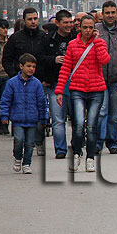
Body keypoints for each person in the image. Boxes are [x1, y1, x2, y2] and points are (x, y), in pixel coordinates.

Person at [54, 14, 110, 173]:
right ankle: (77, 153)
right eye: (84, 27)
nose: (87, 30)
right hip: (77, 89)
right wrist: (59, 91)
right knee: (78, 124)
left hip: (96, 89)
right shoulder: (72, 45)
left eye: (90, 28)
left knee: (92, 126)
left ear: (94, 28)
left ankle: (90, 157)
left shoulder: (100, 43)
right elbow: (65, 69)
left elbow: (105, 60)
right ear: (79, 27)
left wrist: (98, 42)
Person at [0, 53, 48, 174]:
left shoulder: (37, 84)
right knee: (19, 139)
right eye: (28, 66)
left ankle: (27, 163)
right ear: (21, 66)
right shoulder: (12, 83)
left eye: (33, 67)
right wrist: (4, 115)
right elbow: (5, 100)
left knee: (30, 143)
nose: (31, 69)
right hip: (18, 119)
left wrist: (44, 118)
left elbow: (42, 102)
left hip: (32, 119)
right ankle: (17, 157)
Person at [37, 9, 76, 159]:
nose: (69, 25)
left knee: (77, 119)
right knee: (58, 119)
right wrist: (53, 60)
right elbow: (38, 58)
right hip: (54, 83)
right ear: (57, 23)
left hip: (75, 84)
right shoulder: (47, 39)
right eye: (65, 23)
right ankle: (60, 149)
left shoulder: (76, 37)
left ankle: (76, 145)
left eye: (70, 22)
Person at [95, 1, 117, 155]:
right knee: (101, 112)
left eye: (113, 12)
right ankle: (98, 142)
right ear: (102, 13)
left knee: (116, 114)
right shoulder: (95, 30)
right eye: (107, 12)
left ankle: (113, 142)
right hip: (98, 79)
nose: (110, 15)